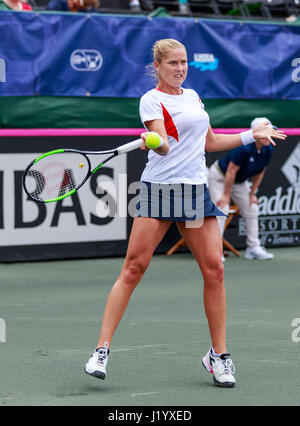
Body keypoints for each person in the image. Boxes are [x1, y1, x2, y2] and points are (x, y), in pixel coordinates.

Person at [84, 39, 286, 388]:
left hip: (193, 192)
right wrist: (155, 141)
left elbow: (210, 143)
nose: (180, 68)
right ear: (158, 66)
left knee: (215, 271)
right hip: (158, 192)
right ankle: (101, 349)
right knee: (134, 269)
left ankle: (218, 356)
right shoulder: (152, 100)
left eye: (184, 62)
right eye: (173, 63)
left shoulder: (192, 97)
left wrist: (250, 134)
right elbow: (162, 144)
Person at [208, 117, 277, 260]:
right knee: (222, 210)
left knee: (252, 208)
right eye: (265, 131)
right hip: (220, 177)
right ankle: (216, 251)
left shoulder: (269, 148)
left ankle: (253, 248)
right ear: (256, 133)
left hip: (239, 182)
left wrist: (253, 193)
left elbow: (260, 172)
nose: (268, 135)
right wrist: (226, 195)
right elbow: (231, 171)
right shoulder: (244, 148)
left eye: (270, 131)